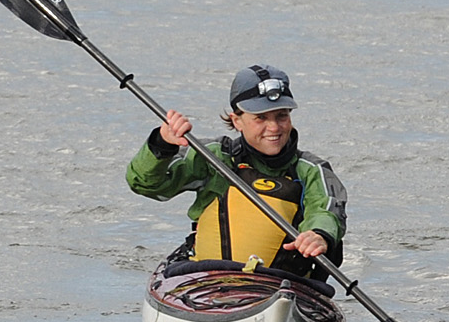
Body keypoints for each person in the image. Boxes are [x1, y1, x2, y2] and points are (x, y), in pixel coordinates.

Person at [127, 63, 347, 279]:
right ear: (237, 121)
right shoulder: (213, 156)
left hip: (281, 288)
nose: (274, 128)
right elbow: (146, 185)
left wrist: (318, 235)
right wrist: (162, 144)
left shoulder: (312, 170)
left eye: (281, 115)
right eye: (260, 118)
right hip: (206, 283)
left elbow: (325, 211)